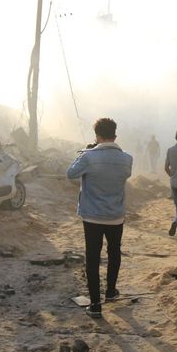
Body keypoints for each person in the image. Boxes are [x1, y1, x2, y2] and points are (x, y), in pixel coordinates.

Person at [66, 118, 133, 318]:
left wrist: (85, 153)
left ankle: (95, 305)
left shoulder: (89, 156)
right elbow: (123, 176)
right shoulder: (127, 159)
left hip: (92, 217)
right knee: (114, 252)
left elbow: (70, 174)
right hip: (115, 215)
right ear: (115, 135)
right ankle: (111, 291)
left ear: (97, 136)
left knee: (93, 258)